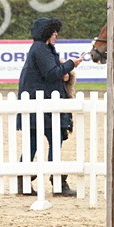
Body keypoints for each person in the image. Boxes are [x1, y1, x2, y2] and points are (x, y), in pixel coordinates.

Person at [17, 17, 82, 196]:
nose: (56, 34)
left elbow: (50, 74)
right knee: (49, 142)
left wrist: (65, 74)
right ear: (46, 32)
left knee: (35, 143)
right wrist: (71, 64)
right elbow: (51, 73)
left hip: (40, 104)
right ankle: (57, 182)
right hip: (42, 106)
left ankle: (25, 182)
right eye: (53, 31)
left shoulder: (42, 49)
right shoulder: (41, 49)